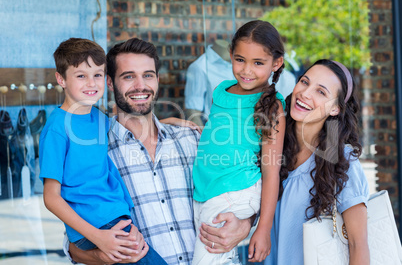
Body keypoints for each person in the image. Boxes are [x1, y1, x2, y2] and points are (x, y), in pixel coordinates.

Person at [63, 37, 254, 265]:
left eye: (148, 75)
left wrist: (245, 224)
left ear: (158, 80)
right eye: (128, 76)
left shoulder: (192, 139)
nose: (140, 85)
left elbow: (241, 187)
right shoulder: (95, 154)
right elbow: (73, 246)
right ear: (110, 83)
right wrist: (103, 256)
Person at [39, 38, 168, 264]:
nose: (91, 83)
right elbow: (51, 198)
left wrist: (171, 122)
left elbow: (135, 121)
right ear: (61, 79)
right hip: (96, 225)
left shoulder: (98, 118)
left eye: (97, 75)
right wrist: (97, 236)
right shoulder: (57, 128)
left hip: (115, 216)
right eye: (81, 76)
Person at [192, 20, 286, 264]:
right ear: (231, 55)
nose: (247, 70)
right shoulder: (221, 90)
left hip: (237, 189)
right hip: (207, 188)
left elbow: (271, 170)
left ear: (276, 63)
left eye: (258, 63)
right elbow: (223, 134)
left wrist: (263, 229)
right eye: (240, 59)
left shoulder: (272, 106)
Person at [264, 59, 370, 265]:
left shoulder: (340, 159)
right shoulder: (274, 146)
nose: (305, 93)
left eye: (321, 92)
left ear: (335, 109)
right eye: (304, 82)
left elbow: (359, 245)